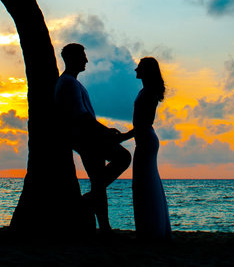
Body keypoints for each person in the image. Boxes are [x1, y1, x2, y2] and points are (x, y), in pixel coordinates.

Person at [54, 43, 132, 234]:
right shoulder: (69, 83)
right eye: (83, 56)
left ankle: (104, 227)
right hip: (86, 138)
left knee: (98, 180)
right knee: (123, 158)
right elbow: (81, 115)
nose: (86, 60)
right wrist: (105, 132)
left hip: (85, 137)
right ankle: (82, 205)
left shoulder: (70, 82)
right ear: (73, 59)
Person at [119, 57, 173, 241]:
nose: (135, 70)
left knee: (144, 183)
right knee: (145, 183)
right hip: (144, 140)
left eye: (139, 67)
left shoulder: (149, 92)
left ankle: (150, 231)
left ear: (147, 71)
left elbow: (144, 123)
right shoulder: (146, 90)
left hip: (146, 140)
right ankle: (150, 229)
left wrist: (124, 137)